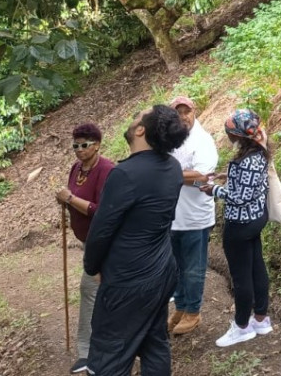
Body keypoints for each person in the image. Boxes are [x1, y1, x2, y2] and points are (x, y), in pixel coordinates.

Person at [82, 105, 189, 376]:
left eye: (136, 117)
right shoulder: (173, 168)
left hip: (128, 280)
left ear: (141, 130)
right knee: (155, 343)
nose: (131, 120)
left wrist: (92, 267)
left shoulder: (125, 174)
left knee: (109, 354)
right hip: (161, 272)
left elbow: (101, 230)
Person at [204, 109, 273, 348]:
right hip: (257, 218)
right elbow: (251, 185)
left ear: (238, 136)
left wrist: (212, 190)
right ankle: (261, 318)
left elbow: (238, 197)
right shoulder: (260, 152)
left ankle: (242, 325)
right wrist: (229, 175)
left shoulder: (245, 161)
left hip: (240, 224)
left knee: (241, 276)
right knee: (257, 267)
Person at [55, 123, 115, 375]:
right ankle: (99, 348)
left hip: (104, 242)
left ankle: (88, 353)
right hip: (87, 241)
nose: (79, 150)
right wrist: (64, 201)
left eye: (84, 145)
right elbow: (74, 199)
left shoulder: (107, 170)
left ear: (97, 145)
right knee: (98, 291)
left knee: (89, 289)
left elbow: (101, 210)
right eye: (75, 146)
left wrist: (69, 199)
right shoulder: (77, 169)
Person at [167, 95, 219, 336]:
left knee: (193, 267)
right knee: (175, 266)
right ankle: (180, 306)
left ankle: (193, 311)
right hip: (172, 215)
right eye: (177, 112)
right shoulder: (171, 139)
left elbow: (202, 175)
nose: (182, 116)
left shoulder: (203, 140)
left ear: (194, 111)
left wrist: (168, 172)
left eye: (185, 111)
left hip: (195, 216)